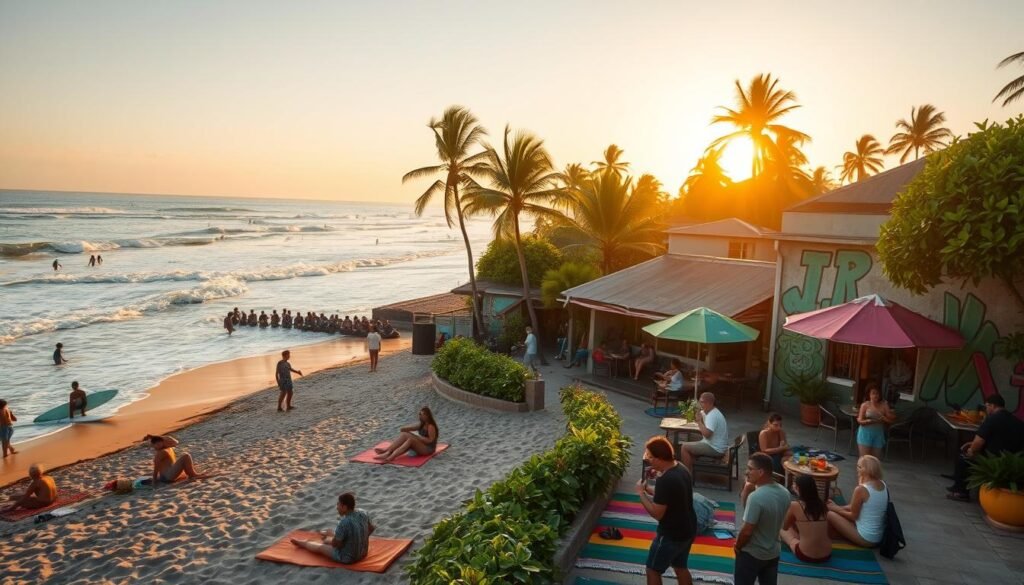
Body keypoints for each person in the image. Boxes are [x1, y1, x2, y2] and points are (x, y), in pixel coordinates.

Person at [637, 436, 696, 585]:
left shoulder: (666, 480)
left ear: (659, 458)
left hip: (671, 535)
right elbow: (670, 496)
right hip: (688, 529)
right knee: (680, 567)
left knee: (653, 570)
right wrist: (649, 489)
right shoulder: (681, 468)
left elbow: (657, 513)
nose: (648, 460)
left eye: (650, 457)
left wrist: (641, 493)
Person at [947, 393, 1024, 501]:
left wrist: (971, 450)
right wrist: (972, 443)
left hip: (991, 462)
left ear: (992, 406)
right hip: (1012, 463)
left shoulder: (992, 419)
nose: (986, 409)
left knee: (964, 458)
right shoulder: (1017, 422)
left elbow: (979, 441)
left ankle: (960, 492)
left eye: (986, 406)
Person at [734, 453, 792, 585]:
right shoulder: (785, 493)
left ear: (760, 472)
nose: (746, 472)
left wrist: (738, 546)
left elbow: (747, 530)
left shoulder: (756, 497)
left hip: (752, 554)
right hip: (773, 553)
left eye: (750, 469)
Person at [290, 492, 375, 564]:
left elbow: (336, 544)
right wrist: (360, 537)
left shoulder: (344, 522)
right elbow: (372, 528)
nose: (337, 507)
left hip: (349, 558)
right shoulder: (363, 512)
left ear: (344, 507)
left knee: (321, 547)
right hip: (363, 553)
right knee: (336, 536)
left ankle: (302, 543)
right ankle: (327, 536)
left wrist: (330, 538)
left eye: (338, 505)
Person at [826, 455, 888, 547]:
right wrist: (837, 507)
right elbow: (854, 507)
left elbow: (853, 516)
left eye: (858, 467)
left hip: (867, 538)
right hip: (877, 536)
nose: (857, 469)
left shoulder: (861, 489)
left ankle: (826, 535)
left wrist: (834, 509)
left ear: (865, 470)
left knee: (829, 514)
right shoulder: (882, 484)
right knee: (836, 512)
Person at [779, 474, 832, 563]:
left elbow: (785, 526)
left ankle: (798, 540)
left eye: (794, 485)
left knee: (780, 527)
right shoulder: (822, 505)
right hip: (827, 554)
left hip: (805, 555)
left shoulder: (795, 505)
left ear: (798, 488)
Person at [679, 392, 729, 473]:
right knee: (691, 436)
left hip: (715, 448)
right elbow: (695, 415)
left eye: (702, 402)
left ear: (709, 403)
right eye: (700, 401)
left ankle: (687, 474)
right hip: (713, 443)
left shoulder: (712, 415)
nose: (700, 404)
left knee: (684, 447)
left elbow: (707, 434)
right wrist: (693, 411)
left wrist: (699, 421)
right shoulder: (708, 411)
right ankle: (693, 469)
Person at [374, 407, 439, 461]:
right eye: (420, 414)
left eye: (422, 414)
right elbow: (411, 428)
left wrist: (417, 437)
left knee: (411, 440)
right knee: (405, 434)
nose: (420, 416)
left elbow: (430, 440)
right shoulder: (422, 424)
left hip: (428, 449)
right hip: (422, 445)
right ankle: (387, 451)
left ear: (428, 416)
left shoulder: (431, 426)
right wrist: (404, 429)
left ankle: (391, 456)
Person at [856, 383, 895, 458]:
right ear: (869, 395)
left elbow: (891, 419)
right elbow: (860, 420)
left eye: (877, 393)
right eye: (873, 393)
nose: (875, 395)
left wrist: (884, 418)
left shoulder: (884, 405)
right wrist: (869, 421)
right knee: (864, 459)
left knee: (875, 460)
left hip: (878, 434)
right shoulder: (865, 405)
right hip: (865, 434)